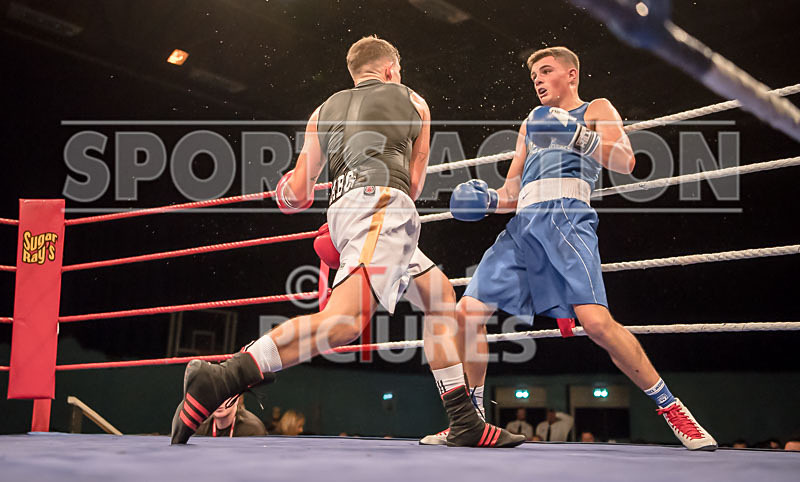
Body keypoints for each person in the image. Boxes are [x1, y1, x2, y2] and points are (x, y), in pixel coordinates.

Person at [170, 35, 524, 449]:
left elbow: (297, 195)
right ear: (391, 70)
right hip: (385, 208)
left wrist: (287, 190)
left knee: (439, 295)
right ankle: (223, 377)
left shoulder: (322, 111)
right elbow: (412, 180)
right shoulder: (414, 101)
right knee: (344, 323)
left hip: (346, 212)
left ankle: (465, 420)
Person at [422, 46, 716, 451]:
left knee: (596, 324)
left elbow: (626, 161)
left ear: (572, 74)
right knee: (466, 313)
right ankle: (471, 423)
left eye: (546, 71)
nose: (539, 80)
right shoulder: (530, 123)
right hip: (522, 225)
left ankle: (672, 408)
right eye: (534, 77)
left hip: (568, 219)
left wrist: (574, 134)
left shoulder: (596, 108)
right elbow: (512, 191)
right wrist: (487, 200)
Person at [194, 394, 266, 437]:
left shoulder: (252, 429)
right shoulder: (199, 428)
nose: (219, 402)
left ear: (237, 398)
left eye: (226, 396)